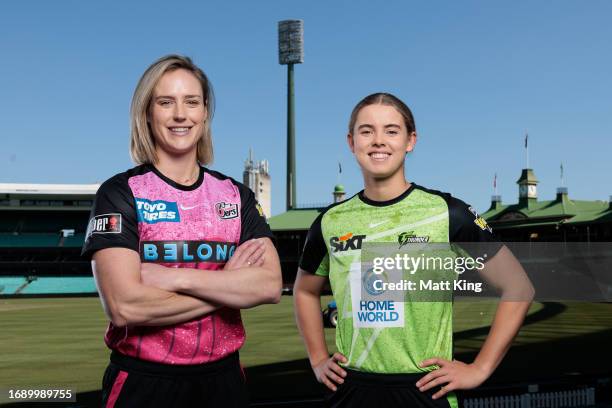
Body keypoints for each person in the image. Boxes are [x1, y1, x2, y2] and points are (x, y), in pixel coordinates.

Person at [293, 93, 534, 408]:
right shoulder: (329, 222)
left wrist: (480, 368)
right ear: (351, 142)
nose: (379, 141)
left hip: (424, 389)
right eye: (367, 131)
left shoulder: (449, 212)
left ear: (411, 141)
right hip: (351, 388)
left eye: (391, 131)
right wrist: (317, 358)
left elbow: (518, 287)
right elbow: (305, 291)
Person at [82, 54, 282, 408]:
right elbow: (125, 306)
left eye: (192, 102)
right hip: (144, 383)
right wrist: (228, 284)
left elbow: (267, 285)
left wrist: (175, 278)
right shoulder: (119, 193)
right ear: (147, 112)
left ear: (205, 112)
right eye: (165, 102)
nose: (180, 114)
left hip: (224, 380)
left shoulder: (236, 195)